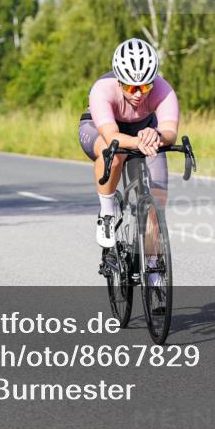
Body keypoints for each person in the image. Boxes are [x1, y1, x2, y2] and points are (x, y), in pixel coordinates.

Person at [78, 39, 180, 278]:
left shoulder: (163, 90)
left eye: (145, 87)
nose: (138, 94)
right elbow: (112, 135)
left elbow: (170, 132)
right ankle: (107, 214)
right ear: (119, 80)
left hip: (144, 130)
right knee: (113, 153)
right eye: (131, 87)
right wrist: (142, 141)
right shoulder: (102, 89)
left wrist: (155, 135)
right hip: (99, 130)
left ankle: (153, 266)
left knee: (158, 197)